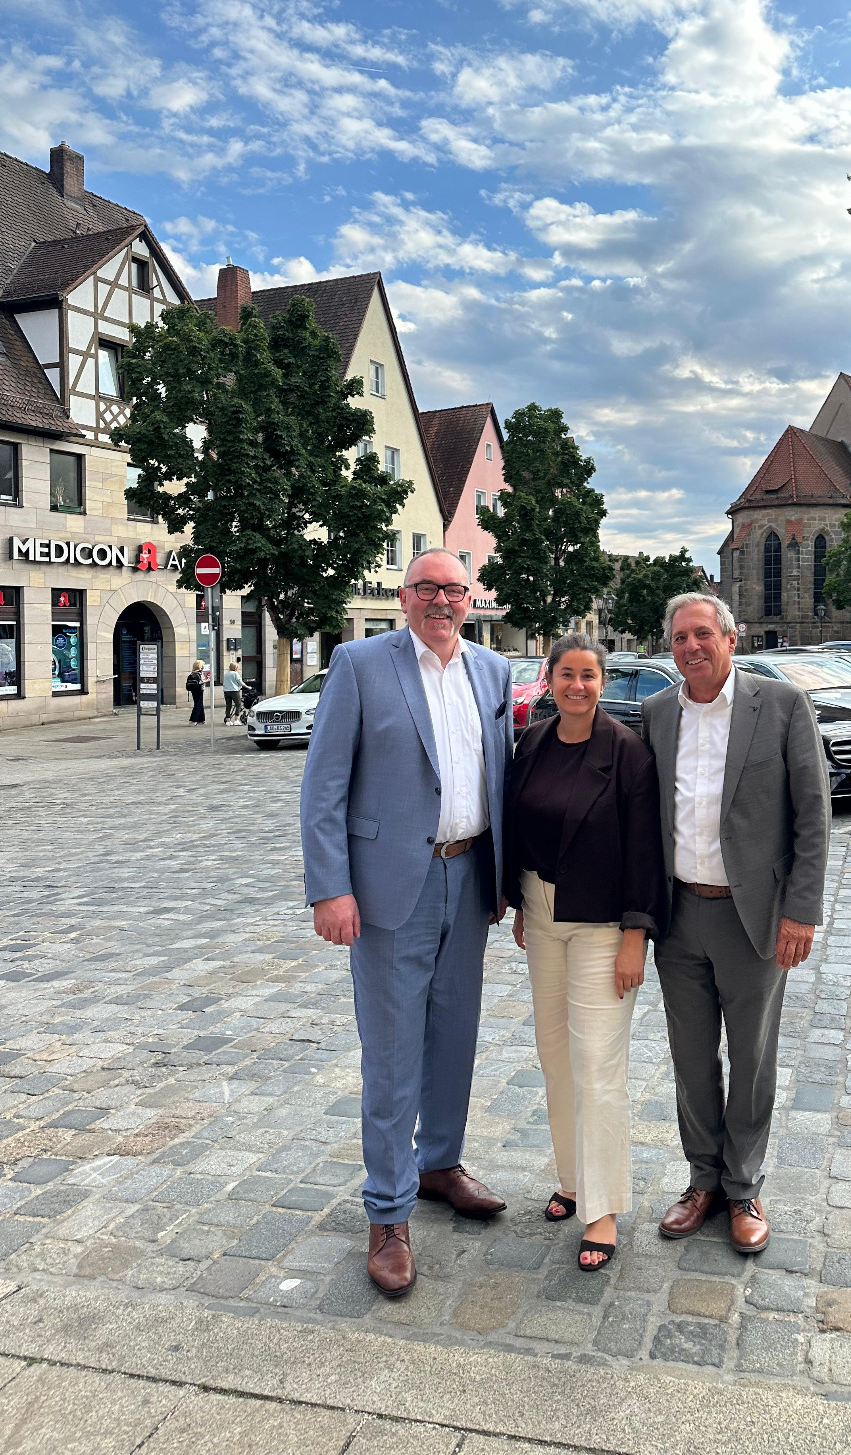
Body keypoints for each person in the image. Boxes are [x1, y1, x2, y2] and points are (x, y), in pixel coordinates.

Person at [300, 548, 513, 1298]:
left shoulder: (490, 672)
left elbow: (500, 778)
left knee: (455, 1036)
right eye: (428, 588)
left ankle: (440, 1164)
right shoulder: (360, 664)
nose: (442, 600)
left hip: (470, 875)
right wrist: (330, 888)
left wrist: (506, 880)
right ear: (404, 594)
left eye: (454, 589)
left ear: (469, 598)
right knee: (391, 1053)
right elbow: (323, 784)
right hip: (392, 887)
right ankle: (387, 1212)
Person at [642, 593, 830, 1255]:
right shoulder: (657, 713)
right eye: (679, 637)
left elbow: (812, 812)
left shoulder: (778, 706)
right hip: (679, 916)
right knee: (692, 1062)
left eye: (702, 634)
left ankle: (743, 1185)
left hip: (754, 917)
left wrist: (801, 910)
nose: (691, 646)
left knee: (750, 1059)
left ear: (730, 637)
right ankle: (702, 1182)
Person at [504, 634, 661, 1271]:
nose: (577, 686)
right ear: (549, 679)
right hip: (542, 916)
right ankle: (571, 1180)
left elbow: (646, 851)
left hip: (602, 924)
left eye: (588, 675)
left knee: (598, 1066)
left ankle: (603, 1208)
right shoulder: (534, 743)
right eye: (566, 674)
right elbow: (519, 826)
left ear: (602, 682)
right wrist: (519, 903)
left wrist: (635, 937)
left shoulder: (627, 753)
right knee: (554, 1053)